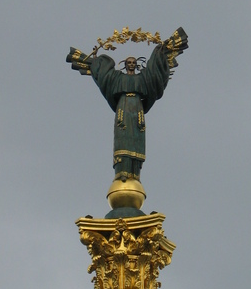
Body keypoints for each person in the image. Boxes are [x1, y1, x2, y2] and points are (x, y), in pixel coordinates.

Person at [67, 28, 188, 183]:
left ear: (137, 65)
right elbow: (104, 77)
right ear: (125, 65)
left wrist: (161, 53)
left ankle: (135, 173)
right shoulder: (118, 79)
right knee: (123, 139)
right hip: (123, 109)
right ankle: (122, 172)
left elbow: (154, 77)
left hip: (137, 111)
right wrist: (96, 62)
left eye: (134, 63)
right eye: (129, 63)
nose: (131, 65)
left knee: (136, 139)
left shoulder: (143, 79)